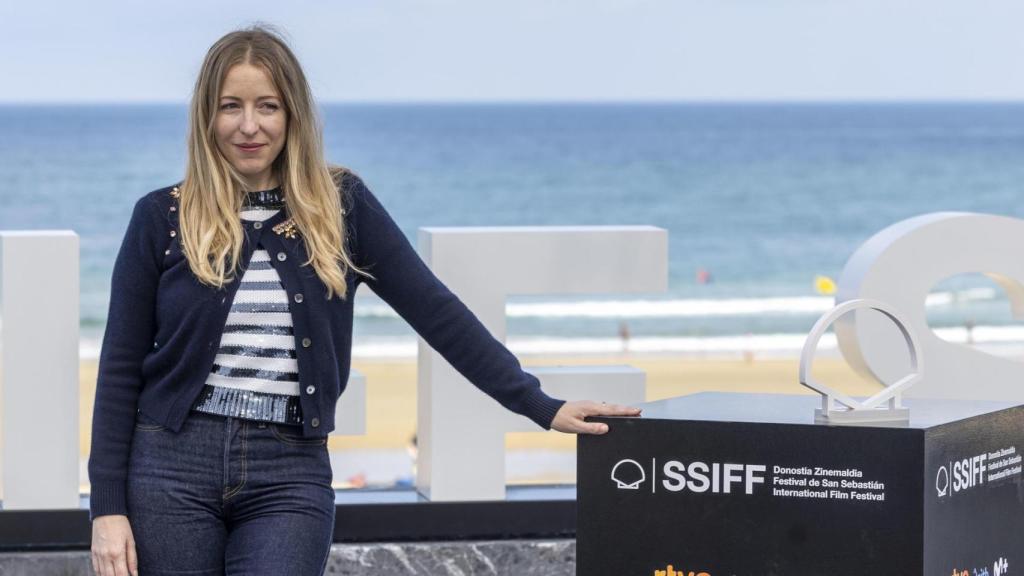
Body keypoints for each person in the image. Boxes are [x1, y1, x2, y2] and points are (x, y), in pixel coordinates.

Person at [88, 25, 641, 576]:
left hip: (291, 470)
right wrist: (107, 508)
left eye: (268, 106)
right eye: (231, 106)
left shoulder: (340, 206)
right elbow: (119, 369)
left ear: (293, 115)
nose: (249, 125)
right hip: (171, 468)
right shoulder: (162, 217)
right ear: (207, 115)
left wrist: (540, 405)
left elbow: (437, 312)